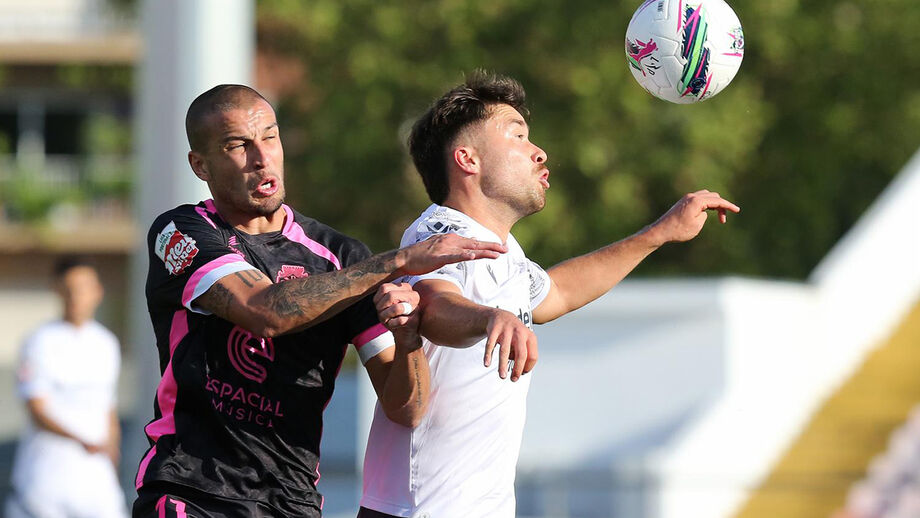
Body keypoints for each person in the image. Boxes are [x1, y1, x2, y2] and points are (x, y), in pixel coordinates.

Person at [359, 71, 741, 518]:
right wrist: (490, 318)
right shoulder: (438, 232)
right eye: (517, 135)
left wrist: (660, 233)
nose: (538, 152)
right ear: (467, 159)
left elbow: (558, 291)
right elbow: (434, 306)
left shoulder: (505, 251)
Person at [132, 84, 505, 518]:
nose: (261, 157)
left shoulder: (342, 257)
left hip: (294, 504)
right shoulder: (181, 231)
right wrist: (399, 260)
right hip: (193, 493)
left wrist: (408, 339)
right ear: (200, 165)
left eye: (270, 137)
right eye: (238, 145)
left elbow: (406, 409)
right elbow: (264, 311)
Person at [6, 257, 128, 518]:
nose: (76, 297)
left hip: (96, 483)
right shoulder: (39, 341)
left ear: (97, 292)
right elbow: (36, 409)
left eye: (83, 288)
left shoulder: (106, 343)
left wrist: (111, 453)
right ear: (58, 291)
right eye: (69, 289)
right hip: (45, 483)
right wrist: (82, 440)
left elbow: (107, 407)